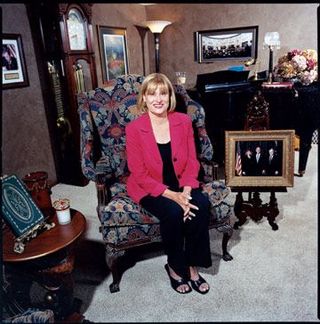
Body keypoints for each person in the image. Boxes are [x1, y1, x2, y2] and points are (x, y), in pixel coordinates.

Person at [125, 73, 212, 294]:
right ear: (143, 98)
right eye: (152, 93)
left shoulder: (183, 121)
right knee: (173, 212)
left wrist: (186, 190)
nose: (158, 99)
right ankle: (174, 267)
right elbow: (139, 173)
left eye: (163, 93)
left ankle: (192, 267)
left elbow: (193, 160)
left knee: (200, 206)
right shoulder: (134, 128)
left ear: (169, 96)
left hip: (182, 182)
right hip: (149, 186)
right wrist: (175, 197)